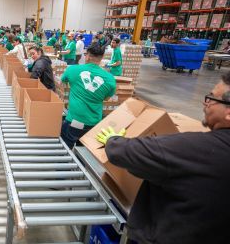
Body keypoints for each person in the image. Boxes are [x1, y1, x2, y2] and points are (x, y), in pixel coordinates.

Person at [97, 72, 230, 244]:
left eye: (211, 98)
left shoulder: (200, 148)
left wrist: (112, 140)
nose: (205, 103)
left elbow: (123, 153)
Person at [60, 43, 116, 148]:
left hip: (74, 121)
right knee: (83, 153)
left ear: (88, 56)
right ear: (102, 57)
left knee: (65, 149)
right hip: (94, 124)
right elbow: (106, 98)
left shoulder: (73, 70)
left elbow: (62, 81)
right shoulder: (110, 79)